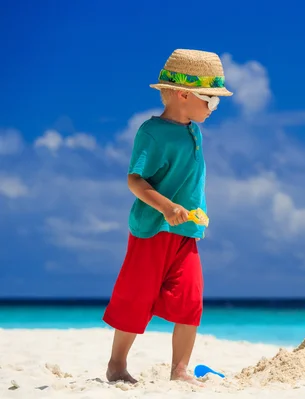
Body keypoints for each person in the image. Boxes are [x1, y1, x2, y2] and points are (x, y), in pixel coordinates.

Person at [102, 49, 233, 385]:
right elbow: (135, 179)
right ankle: (116, 365)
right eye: (211, 100)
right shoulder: (152, 132)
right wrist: (166, 207)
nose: (214, 108)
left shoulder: (194, 130)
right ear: (184, 95)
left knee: (191, 299)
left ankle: (180, 370)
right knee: (136, 297)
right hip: (152, 230)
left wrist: (190, 212)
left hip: (187, 232)